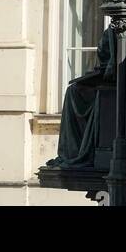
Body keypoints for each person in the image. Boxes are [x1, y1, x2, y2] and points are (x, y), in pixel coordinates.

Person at [46, 27, 113, 169]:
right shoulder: (113, 30)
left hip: (115, 85)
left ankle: (78, 151)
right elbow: (106, 62)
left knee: (74, 92)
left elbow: (112, 66)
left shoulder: (119, 28)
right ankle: (72, 150)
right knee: (73, 90)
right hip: (109, 80)